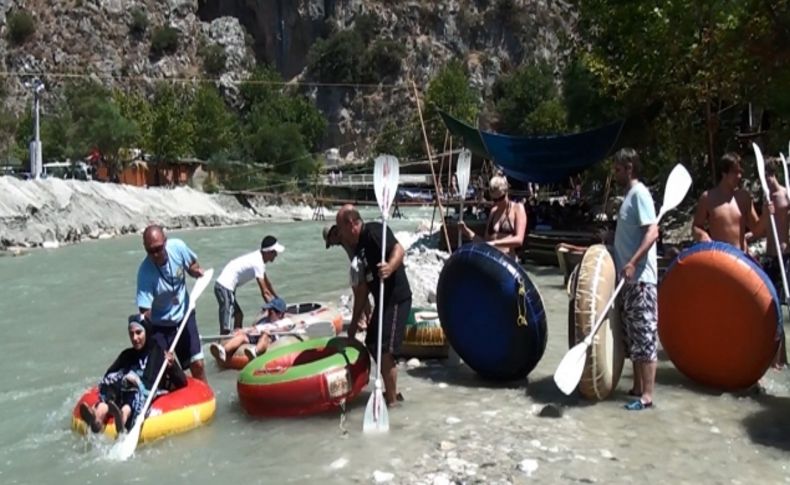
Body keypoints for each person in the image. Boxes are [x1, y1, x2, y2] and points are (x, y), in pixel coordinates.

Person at [336, 205, 412, 407]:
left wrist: (390, 266)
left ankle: (393, 401)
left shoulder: (373, 232)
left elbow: (398, 249)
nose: (340, 235)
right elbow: (361, 292)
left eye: (341, 229)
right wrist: (353, 325)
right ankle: (391, 387)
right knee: (372, 341)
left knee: (385, 349)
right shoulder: (358, 247)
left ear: (352, 224)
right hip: (383, 301)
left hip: (396, 298)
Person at [80, 315, 187, 434]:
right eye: (131, 334)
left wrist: (172, 366)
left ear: (146, 332)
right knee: (114, 382)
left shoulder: (159, 354)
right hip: (120, 392)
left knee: (132, 395)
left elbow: (182, 382)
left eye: (138, 333)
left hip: (140, 393)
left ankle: (123, 417)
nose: (135, 338)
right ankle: (98, 416)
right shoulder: (127, 354)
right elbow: (109, 374)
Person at [612, 148, 660, 411]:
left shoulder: (640, 194)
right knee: (633, 337)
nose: (615, 173)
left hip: (641, 280)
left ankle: (647, 396)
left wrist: (632, 262)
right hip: (629, 281)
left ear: (629, 167)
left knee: (644, 335)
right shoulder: (629, 196)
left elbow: (652, 232)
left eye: (617, 169)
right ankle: (638, 387)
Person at [136, 225, 208, 382]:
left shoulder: (178, 247)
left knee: (198, 364)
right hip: (160, 325)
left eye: (158, 249)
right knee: (164, 370)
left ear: (166, 241)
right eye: (150, 251)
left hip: (185, 313)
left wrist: (195, 272)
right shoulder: (145, 272)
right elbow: (144, 311)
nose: (155, 254)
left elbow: (192, 264)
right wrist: (150, 340)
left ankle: (206, 395)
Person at [692, 152, 767, 253]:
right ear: (724, 173)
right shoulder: (708, 198)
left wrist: (766, 214)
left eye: (740, 172)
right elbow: (696, 227)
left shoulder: (744, 197)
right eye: (735, 172)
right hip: (721, 259)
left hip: (742, 259)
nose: (739, 176)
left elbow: (757, 231)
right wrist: (702, 235)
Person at [213, 235, 284, 335]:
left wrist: (277, 298)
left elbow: (268, 284)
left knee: (238, 315)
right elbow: (265, 292)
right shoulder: (257, 262)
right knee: (226, 324)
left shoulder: (260, 260)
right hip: (224, 287)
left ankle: (237, 338)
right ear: (268, 252)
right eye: (275, 252)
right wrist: (275, 310)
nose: (276, 255)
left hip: (228, 287)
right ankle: (223, 343)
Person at [756, 157, 789, 369]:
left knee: (780, 307)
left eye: (764, 178)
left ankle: (779, 360)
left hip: (784, 257)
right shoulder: (767, 199)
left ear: (771, 175)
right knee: (771, 307)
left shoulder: (786, 195)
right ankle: (777, 359)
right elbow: (760, 229)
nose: (763, 183)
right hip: (769, 257)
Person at [459, 175, 527, 258]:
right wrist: (467, 231)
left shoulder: (517, 208)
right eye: (495, 200)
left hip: (508, 260)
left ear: (506, 192)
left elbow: (519, 240)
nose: (498, 202)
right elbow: (485, 243)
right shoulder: (493, 211)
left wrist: (495, 243)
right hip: (491, 259)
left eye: (501, 198)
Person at [209, 297, 292, 363]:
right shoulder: (264, 320)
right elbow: (254, 328)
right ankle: (223, 350)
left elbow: (285, 329)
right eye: (268, 310)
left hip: (269, 337)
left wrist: (269, 330)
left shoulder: (285, 321)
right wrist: (243, 330)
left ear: (280, 313)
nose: (268, 312)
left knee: (265, 335)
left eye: (271, 311)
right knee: (242, 336)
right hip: (255, 337)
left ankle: (255, 352)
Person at [323, 219, 371, 331]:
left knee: (359, 292)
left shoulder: (346, 236)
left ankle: (367, 318)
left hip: (361, 265)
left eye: (331, 242)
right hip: (358, 266)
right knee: (358, 291)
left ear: (333, 233)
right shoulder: (342, 239)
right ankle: (365, 317)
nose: (333, 245)